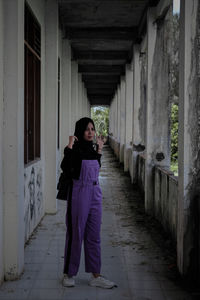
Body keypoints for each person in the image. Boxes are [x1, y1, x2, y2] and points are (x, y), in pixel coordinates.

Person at [60, 117, 116, 289]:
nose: (91, 132)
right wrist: (69, 146)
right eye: (87, 129)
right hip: (79, 192)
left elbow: (96, 165)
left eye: (92, 129)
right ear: (80, 132)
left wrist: (99, 149)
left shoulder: (93, 149)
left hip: (95, 192)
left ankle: (95, 275)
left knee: (93, 235)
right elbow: (64, 166)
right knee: (76, 232)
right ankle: (69, 274)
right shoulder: (74, 150)